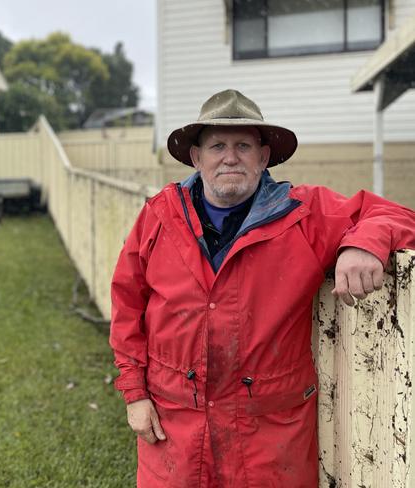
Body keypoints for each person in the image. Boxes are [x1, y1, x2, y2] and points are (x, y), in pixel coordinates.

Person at [109, 89, 415, 487]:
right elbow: (127, 303)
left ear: (264, 157)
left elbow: (394, 213)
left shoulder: (302, 214)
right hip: (175, 425)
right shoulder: (161, 215)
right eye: (217, 145)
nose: (230, 157)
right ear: (197, 157)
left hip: (268, 437)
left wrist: (363, 243)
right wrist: (135, 394)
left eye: (244, 146)